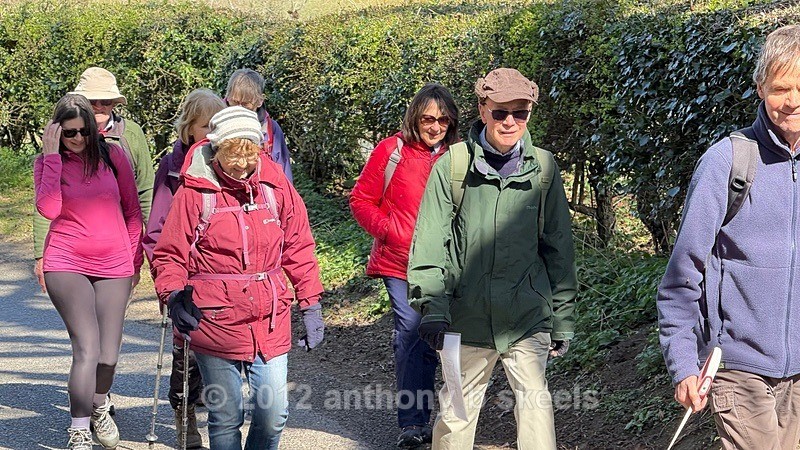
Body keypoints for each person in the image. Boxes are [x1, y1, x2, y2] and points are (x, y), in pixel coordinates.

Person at [407, 68, 577, 450]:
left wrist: (563, 317)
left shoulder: (545, 169)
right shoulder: (452, 166)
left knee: (536, 413)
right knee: (455, 416)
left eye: (520, 113)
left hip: (527, 314)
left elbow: (558, 249)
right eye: (500, 112)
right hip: (465, 316)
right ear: (482, 109)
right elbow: (430, 245)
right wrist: (432, 307)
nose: (510, 122)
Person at [658, 25, 800, 449]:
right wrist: (684, 362)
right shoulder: (728, 162)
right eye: (780, 88)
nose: (792, 101)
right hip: (737, 366)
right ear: (760, 88)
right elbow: (682, 274)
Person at [151, 106, 324, 450]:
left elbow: (299, 246)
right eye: (234, 155)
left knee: (273, 414)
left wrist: (310, 302)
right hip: (214, 320)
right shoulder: (195, 193)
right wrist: (174, 295)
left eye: (250, 154)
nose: (242, 164)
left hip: (270, 317)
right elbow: (169, 253)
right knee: (226, 416)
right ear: (216, 150)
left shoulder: (277, 188)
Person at [349, 83, 458, 447]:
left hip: (446, 264)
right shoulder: (391, 150)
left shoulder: (460, 155)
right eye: (428, 118)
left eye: (443, 119)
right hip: (399, 262)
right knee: (412, 334)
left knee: (441, 338)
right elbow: (362, 199)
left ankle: (449, 419)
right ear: (415, 117)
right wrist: (390, 230)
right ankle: (413, 423)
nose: (435, 126)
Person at [34, 94, 143, 449]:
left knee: (109, 355)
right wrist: (52, 157)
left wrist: (131, 260)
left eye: (84, 131)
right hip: (66, 262)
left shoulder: (113, 157)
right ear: (56, 132)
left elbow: (132, 211)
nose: (78, 139)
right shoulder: (48, 163)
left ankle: (99, 406)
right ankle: (79, 428)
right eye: (69, 133)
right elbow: (49, 209)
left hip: (114, 263)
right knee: (87, 349)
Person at [142, 88, 225, 448]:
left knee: (218, 352)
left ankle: (217, 414)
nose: (211, 135)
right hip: (184, 275)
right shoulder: (173, 167)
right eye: (205, 126)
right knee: (185, 354)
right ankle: (184, 415)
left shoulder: (231, 162)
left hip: (220, 275)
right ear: (188, 128)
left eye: (216, 126)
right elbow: (157, 227)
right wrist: (166, 279)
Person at [34, 66, 154, 293]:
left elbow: (144, 192)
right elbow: (45, 202)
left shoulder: (130, 134)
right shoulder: (58, 143)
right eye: (93, 101)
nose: (99, 107)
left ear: (114, 104)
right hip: (69, 252)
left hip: (116, 250)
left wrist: (147, 249)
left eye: (106, 102)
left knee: (108, 326)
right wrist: (41, 255)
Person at [224, 68, 293, 182]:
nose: (239, 109)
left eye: (246, 104)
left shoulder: (271, 130)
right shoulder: (210, 122)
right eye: (234, 102)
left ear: (260, 101)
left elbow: (284, 177)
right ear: (227, 96)